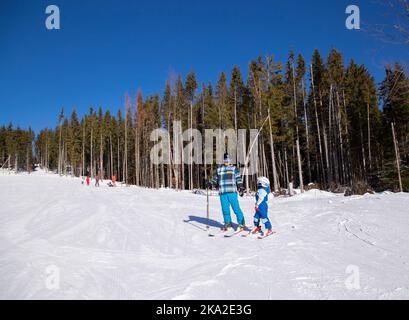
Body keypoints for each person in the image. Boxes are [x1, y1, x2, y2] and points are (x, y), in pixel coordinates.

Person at [207, 153, 246, 232]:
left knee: (236, 208)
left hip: (232, 192)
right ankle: (227, 223)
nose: (226, 161)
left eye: (228, 160)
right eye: (225, 160)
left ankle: (241, 223)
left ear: (230, 160)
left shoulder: (234, 169)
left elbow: (238, 179)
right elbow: (215, 179)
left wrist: (240, 187)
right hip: (223, 192)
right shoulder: (219, 169)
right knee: (225, 209)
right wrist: (210, 183)